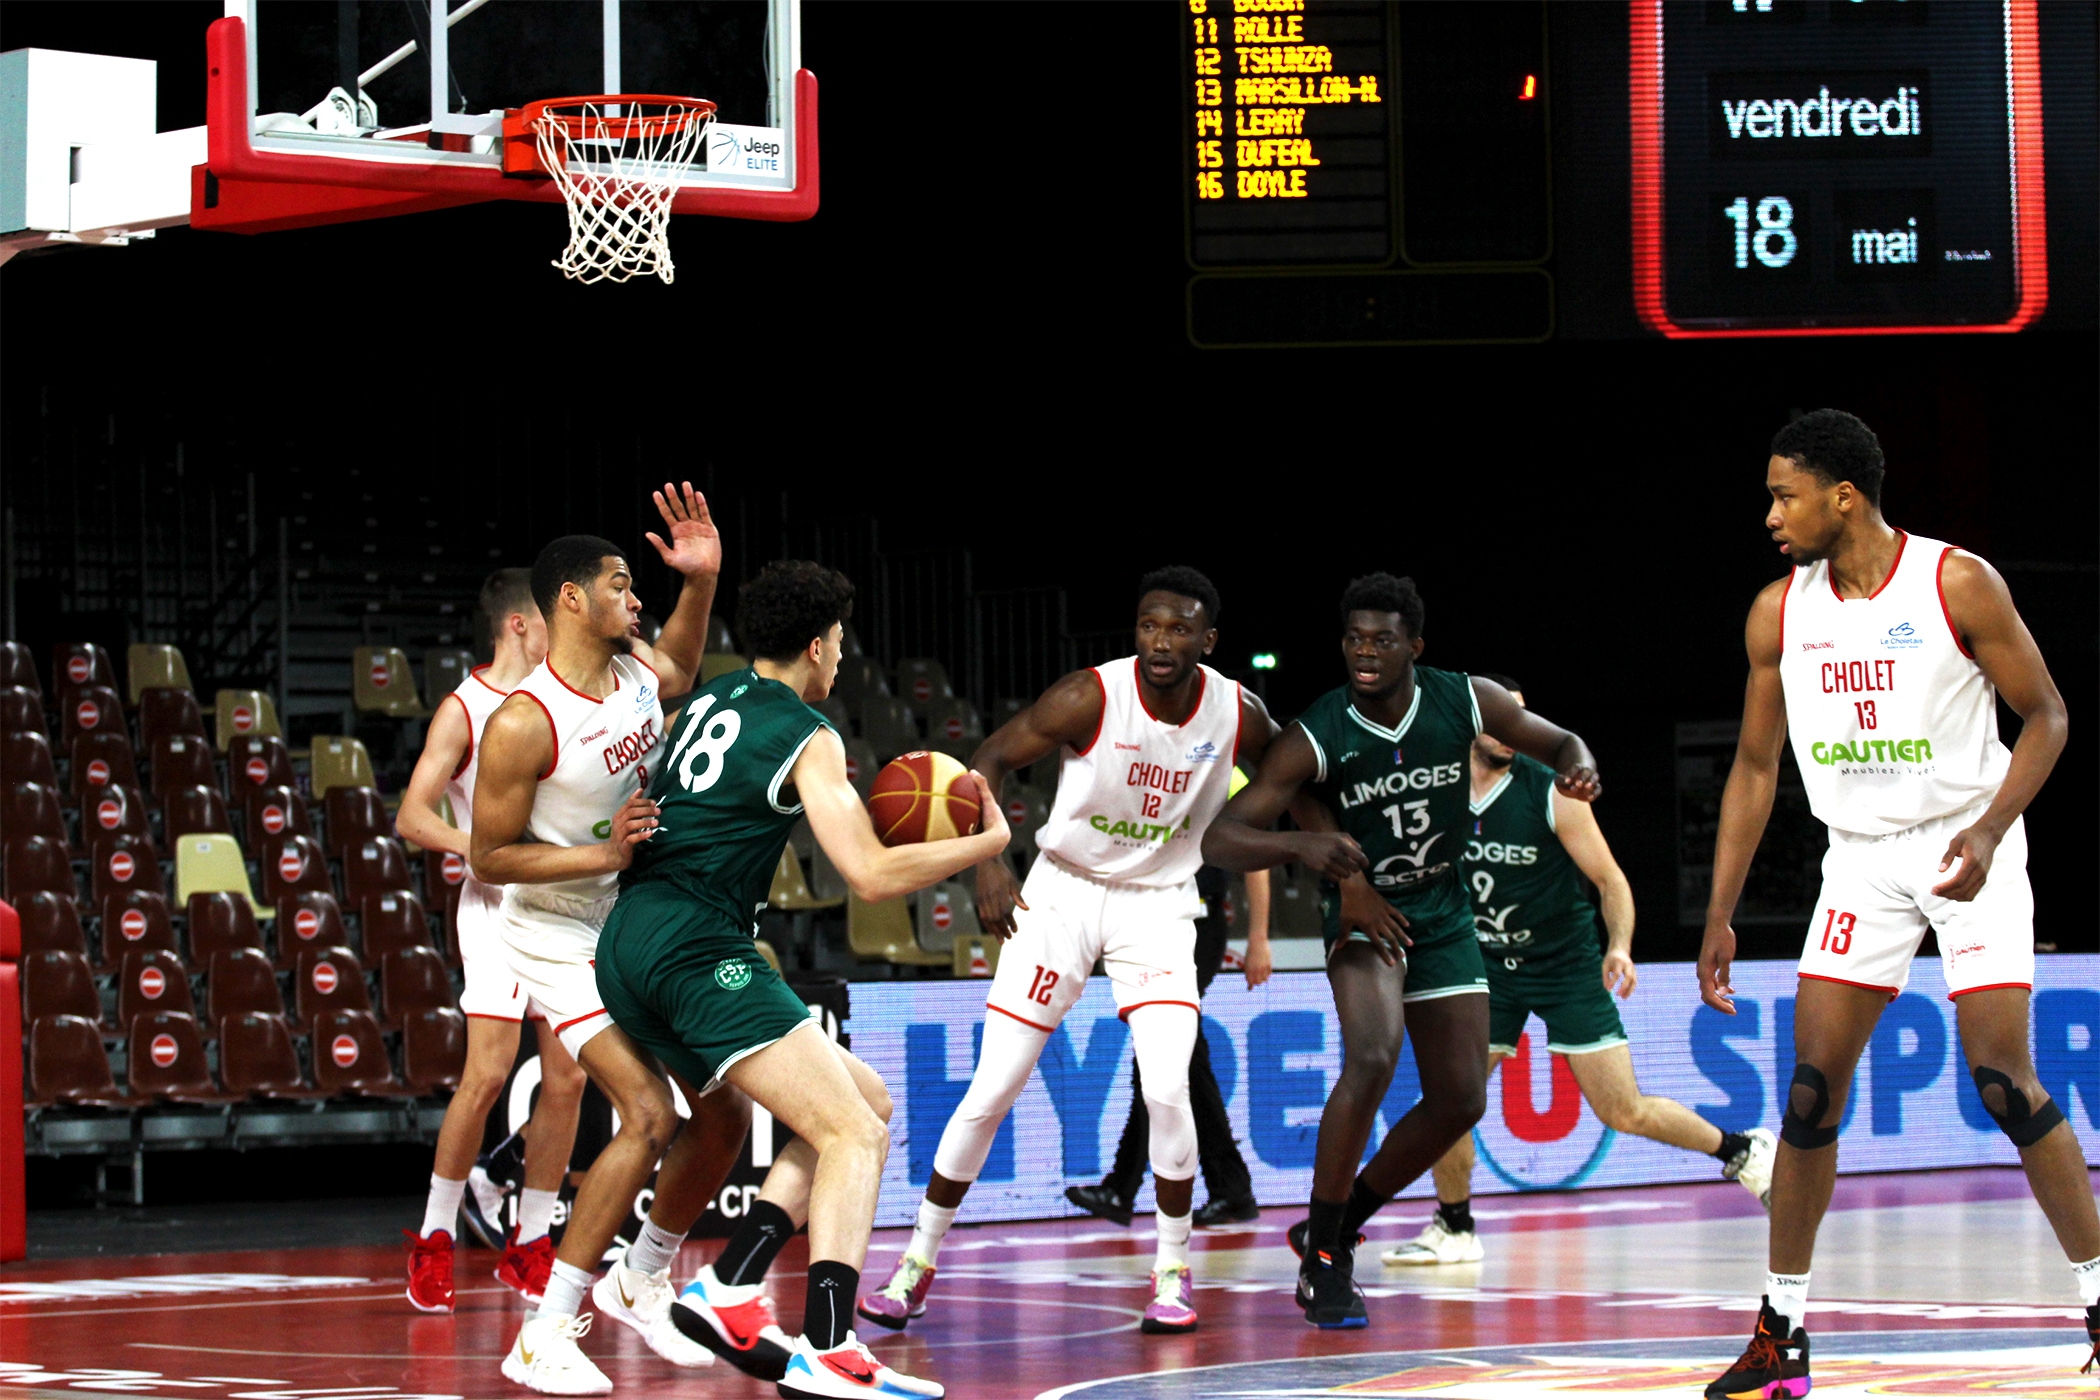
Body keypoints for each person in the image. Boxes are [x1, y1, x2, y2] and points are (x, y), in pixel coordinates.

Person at [1697, 410, 2099, 1399]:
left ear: (1845, 496)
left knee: (2004, 1079)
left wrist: (1995, 827)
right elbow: (1754, 767)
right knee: (1809, 1093)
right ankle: (1779, 1331)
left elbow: (2046, 715)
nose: (1772, 514)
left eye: (1785, 494)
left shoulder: (1956, 581)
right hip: (1862, 860)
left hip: (1970, 838)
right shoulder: (1777, 612)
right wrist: (1720, 911)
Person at [595, 558, 1009, 1400]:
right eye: (841, 643)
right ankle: (828, 1347)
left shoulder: (711, 694)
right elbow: (870, 874)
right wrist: (986, 846)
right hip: (695, 947)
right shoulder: (807, 734)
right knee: (856, 1137)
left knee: (868, 1104)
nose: (842, 659)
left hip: (627, 941)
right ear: (819, 646)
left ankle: (731, 1286)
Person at [860, 567, 1285, 1337]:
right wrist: (987, 859)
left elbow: (1298, 776)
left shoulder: (1235, 711)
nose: (1162, 641)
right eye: (1150, 625)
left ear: (1208, 640)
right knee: (992, 1090)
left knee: (1165, 1088)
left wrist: (1338, 868)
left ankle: (1171, 1270)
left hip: (1158, 906)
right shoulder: (1090, 695)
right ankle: (915, 1263)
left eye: (1180, 629)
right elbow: (986, 759)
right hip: (1061, 894)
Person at [1202, 572, 1600, 1329]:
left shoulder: (1466, 698)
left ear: (1415, 646)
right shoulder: (1322, 727)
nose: (1365, 652)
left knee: (1462, 1095)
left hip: (1444, 908)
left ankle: (1338, 1225)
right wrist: (1309, 846)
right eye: (1353, 639)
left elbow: (1558, 739)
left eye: (1382, 640)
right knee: (1374, 1057)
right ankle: (1325, 1259)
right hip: (1364, 909)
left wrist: (1579, 762)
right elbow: (1220, 838)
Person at [475, 489, 756, 1394]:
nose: (636, 598)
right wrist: (602, 851)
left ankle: (642, 1279)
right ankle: (545, 1331)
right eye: (622, 584)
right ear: (569, 599)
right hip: (554, 932)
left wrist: (701, 582)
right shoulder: (525, 720)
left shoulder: (634, 669)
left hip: (631, 915)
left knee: (724, 1113)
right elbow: (488, 856)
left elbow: (677, 663)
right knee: (647, 1113)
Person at [1382, 674, 1775, 1268]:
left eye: (1523, 721)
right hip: (1486, 966)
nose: (1516, 732)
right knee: (1451, 1098)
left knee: (1623, 1110)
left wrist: (1619, 945)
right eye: (1502, 720)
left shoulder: (1551, 790)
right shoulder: (1437, 791)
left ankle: (1742, 1149)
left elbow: (1611, 881)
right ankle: (1455, 1227)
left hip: (1563, 963)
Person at [398, 569, 589, 1312]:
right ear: (519, 625)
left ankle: (531, 1244)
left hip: (561, 903)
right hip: (494, 908)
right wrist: (476, 847)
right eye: (548, 622)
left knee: (568, 1080)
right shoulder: (465, 708)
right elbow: (413, 815)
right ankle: (435, 1237)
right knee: (486, 1076)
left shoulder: (559, 699)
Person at [1064, 859, 1270, 1228]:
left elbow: (1257, 864)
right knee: (1182, 1060)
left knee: (1160, 1054)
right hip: (1155, 924)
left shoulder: (1219, 798)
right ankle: (1230, 1190)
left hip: (1198, 921)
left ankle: (1123, 1188)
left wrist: (1258, 939)